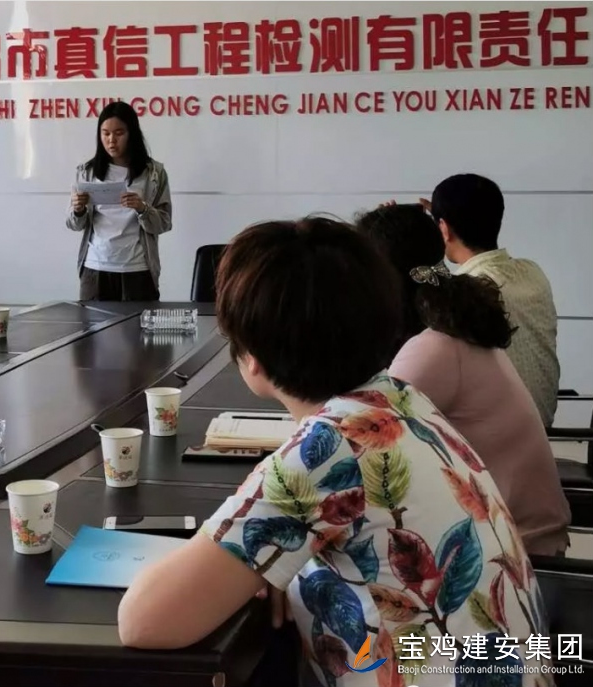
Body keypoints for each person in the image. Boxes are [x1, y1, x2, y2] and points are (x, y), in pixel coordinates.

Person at [117, 217, 553, 687]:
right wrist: (279, 562)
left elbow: (143, 620)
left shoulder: (324, 453)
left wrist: (265, 558)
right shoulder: (399, 399)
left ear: (252, 357)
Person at [356, 204, 570, 557]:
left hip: (517, 555)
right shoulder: (452, 332)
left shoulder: (434, 350)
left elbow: (357, 446)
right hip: (518, 536)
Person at [420, 174, 560, 426]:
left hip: (491, 441)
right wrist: (443, 225)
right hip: (542, 433)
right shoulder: (533, 272)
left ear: (444, 229)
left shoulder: (468, 292)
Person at [66, 101, 172, 301]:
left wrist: (142, 209)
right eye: (105, 133)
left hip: (138, 269)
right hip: (95, 267)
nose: (111, 140)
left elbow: (164, 223)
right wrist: (78, 210)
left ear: (132, 134)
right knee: (91, 322)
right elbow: (73, 224)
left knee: (139, 322)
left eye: (119, 133)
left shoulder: (153, 173)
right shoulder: (87, 172)